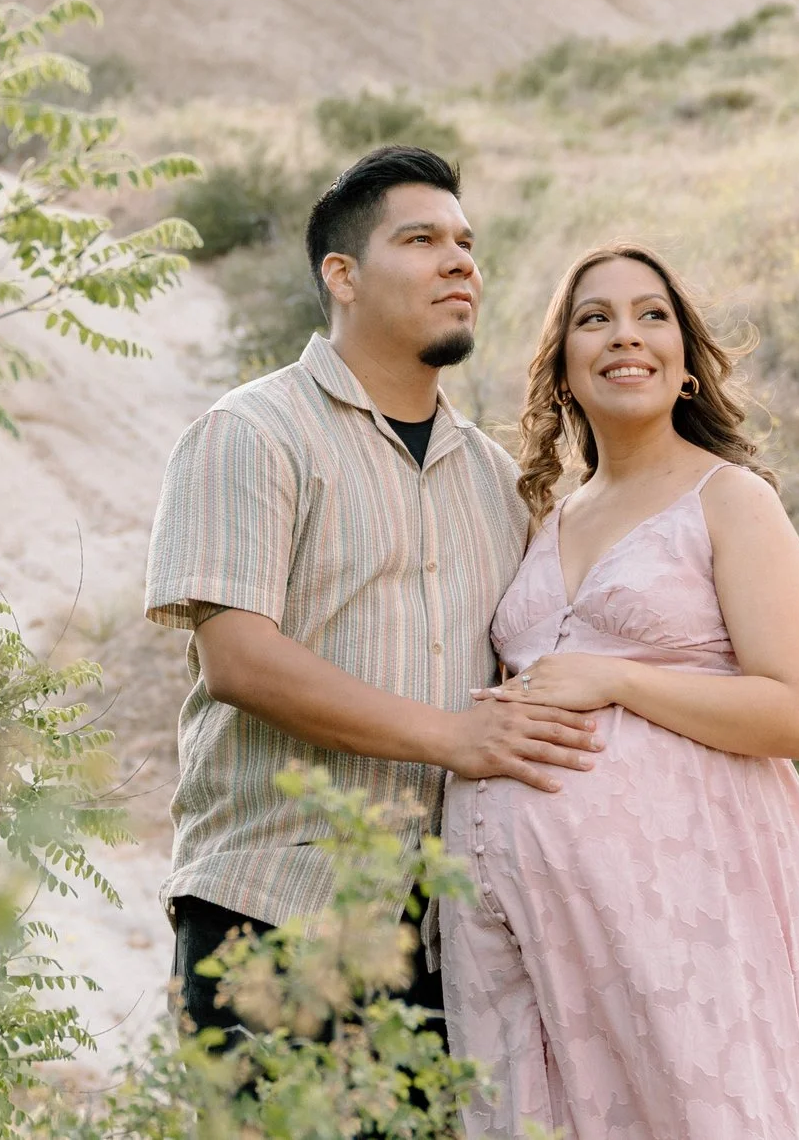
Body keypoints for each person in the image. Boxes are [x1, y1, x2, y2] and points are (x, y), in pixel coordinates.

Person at [442, 243, 799, 1138]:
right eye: (596, 318)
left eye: (651, 315)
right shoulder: (547, 519)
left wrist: (618, 676)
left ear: (686, 362)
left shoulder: (730, 500)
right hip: (524, 920)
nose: (626, 335)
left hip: (688, 909)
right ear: (564, 368)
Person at [143, 146, 604, 1043]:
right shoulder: (251, 432)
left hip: (444, 943)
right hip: (272, 912)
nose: (459, 262)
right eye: (422, 239)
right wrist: (452, 736)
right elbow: (239, 660)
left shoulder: (498, 480)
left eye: (466, 243)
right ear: (342, 274)